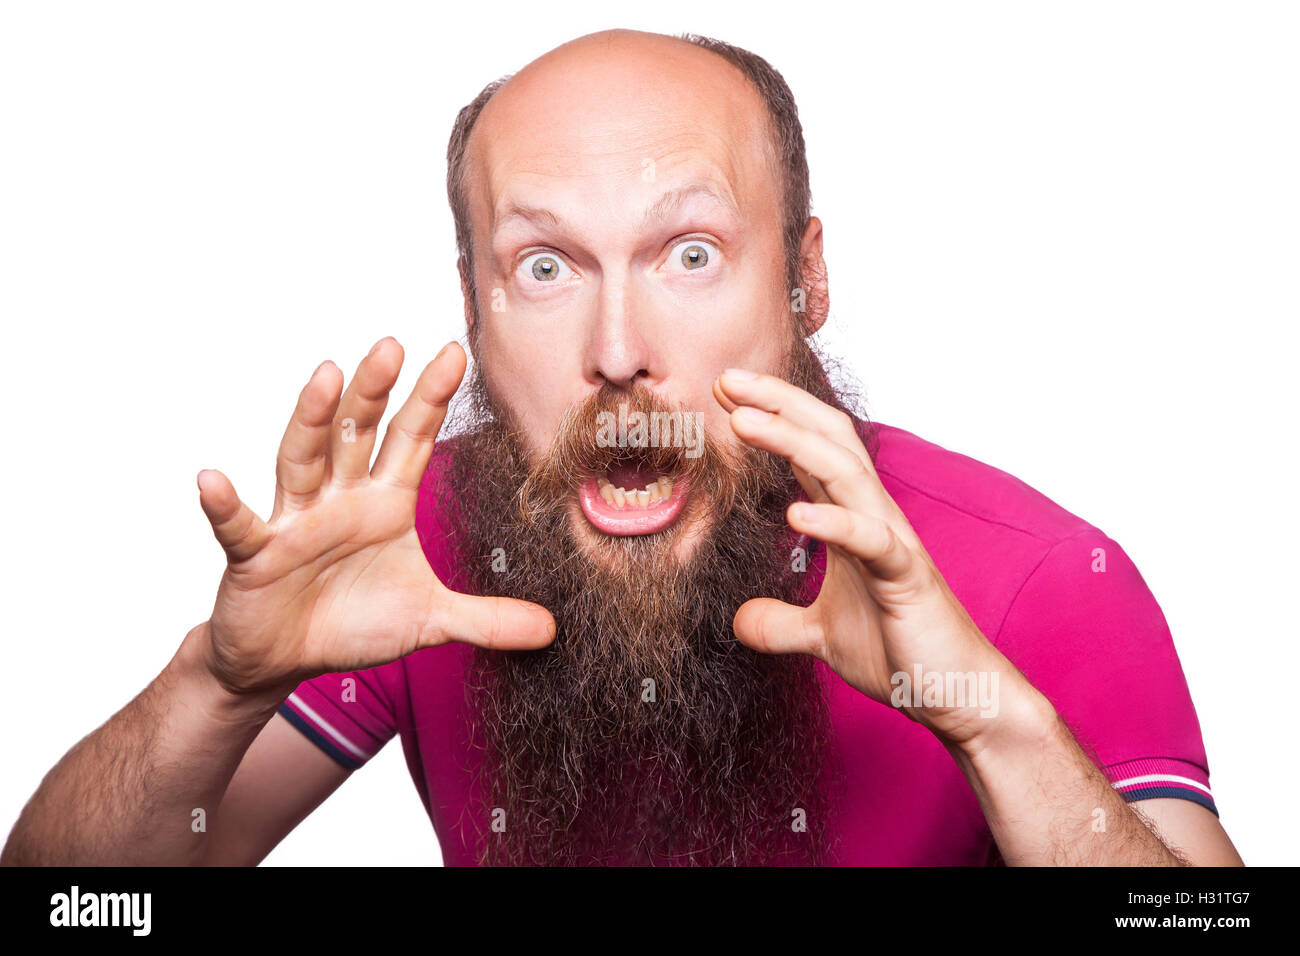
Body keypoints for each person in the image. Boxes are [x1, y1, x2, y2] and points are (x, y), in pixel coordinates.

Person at [1, 28, 1242, 866]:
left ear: (806, 277)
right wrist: (220, 690)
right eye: (543, 268)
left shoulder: (1036, 581)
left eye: (689, 255)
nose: (616, 348)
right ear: (476, 307)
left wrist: (991, 721)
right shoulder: (424, 558)